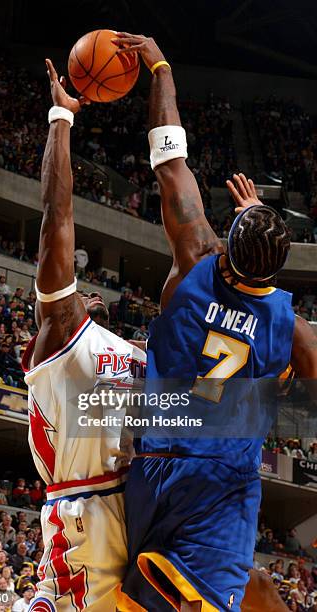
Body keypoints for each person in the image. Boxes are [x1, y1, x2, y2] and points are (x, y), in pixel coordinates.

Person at [114, 33, 317, 612]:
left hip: (153, 467)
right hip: (221, 484)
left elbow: (168, 154)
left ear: (229, 238)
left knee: (140, 599)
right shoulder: (288, 321)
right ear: (278, 271)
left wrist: (160, 66)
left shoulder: (196, 259)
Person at [20, 58, 146, 612]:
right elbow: (56, 217)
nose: (82, 292)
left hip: (141, 512)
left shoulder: (138, 356)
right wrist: (60, 120)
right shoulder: (61, 336)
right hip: (82, 509)